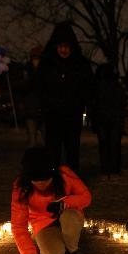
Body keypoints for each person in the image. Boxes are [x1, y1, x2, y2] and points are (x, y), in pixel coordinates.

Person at [11, 147, 91, 254]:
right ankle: (58, 247)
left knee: (70, 218)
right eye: (37, 180)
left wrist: (65, 203)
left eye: (46, 179)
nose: (42, 183)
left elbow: (86, 197)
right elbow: (18, 226)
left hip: (68, 216)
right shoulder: (21, 188)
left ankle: (71, 253)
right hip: (43, 223)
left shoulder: (65, 174)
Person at [35, 22, 94, 172]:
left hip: (73, 116)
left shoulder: (81, 65)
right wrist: (44, 107)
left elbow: (88, 89)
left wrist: (87, 106)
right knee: (52, 151)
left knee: (72, 151)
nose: (64, 50)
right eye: (61, 46)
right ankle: (53, 179)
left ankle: (72, 180)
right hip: (53, 116)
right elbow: (39, 88)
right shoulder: (46, 65)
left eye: (67, 46)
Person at [91, 63, 127, 176]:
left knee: (104, 144)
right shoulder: (118, 87)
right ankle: (114, 167)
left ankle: (105, 167)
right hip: (115, 120)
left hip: (102, 119)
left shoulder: (98, 87)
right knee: (115, 144)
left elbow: (94, 105)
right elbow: (122, 105)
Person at [20, 46, 44, 148]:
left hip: (42, 107)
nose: (36, 60)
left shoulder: (45, 69)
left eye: (37, 58)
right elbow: (24, 87)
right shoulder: (26, 69)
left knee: (44, 136)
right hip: (31, 106)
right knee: (32, 137)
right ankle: (32, 157)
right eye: (34, 58)